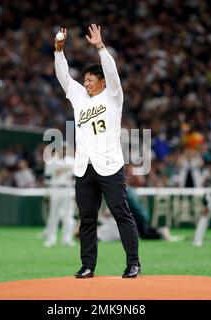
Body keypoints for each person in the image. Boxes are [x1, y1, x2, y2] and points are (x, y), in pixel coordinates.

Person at [54, 25, 141, 278]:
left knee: (121, 213)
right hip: (84, 166)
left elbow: (112, 71)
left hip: (110, 165)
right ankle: (88, 265)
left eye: (91, 80)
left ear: (102, 82)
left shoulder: (113, 95)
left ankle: (133, 263)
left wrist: (101, 47)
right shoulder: (80, 97)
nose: (87, 83)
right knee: (87, 219)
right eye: (86, 80)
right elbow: (63, 77)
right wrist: (59, 51)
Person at [43, 143, 76, 247]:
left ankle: (67, 239)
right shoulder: (52, 161)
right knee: (53, 215)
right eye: (62, 148)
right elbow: (47, 178)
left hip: (68, 189)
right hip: (55, 189)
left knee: (68, 215)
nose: (64, 150)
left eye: (66, 148)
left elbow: (75, 177)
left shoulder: (72, 161)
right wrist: (47, 193)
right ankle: (51, 239)